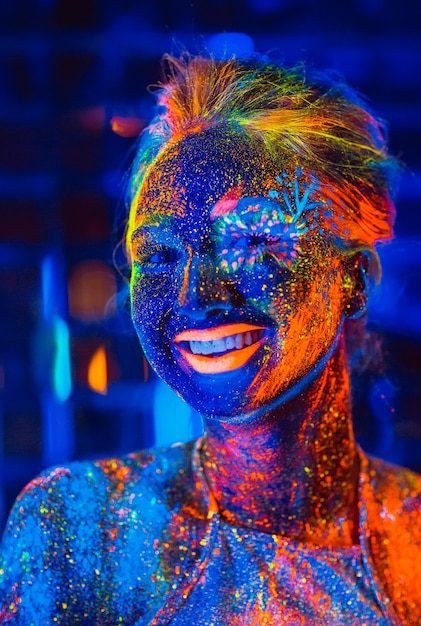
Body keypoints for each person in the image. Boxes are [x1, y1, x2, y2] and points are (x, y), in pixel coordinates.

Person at [1, 53, 420, 625]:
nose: (197, 295)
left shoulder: (413, 542)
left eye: (252, 240)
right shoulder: (79, 528)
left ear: (350, 279)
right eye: (161, 255)